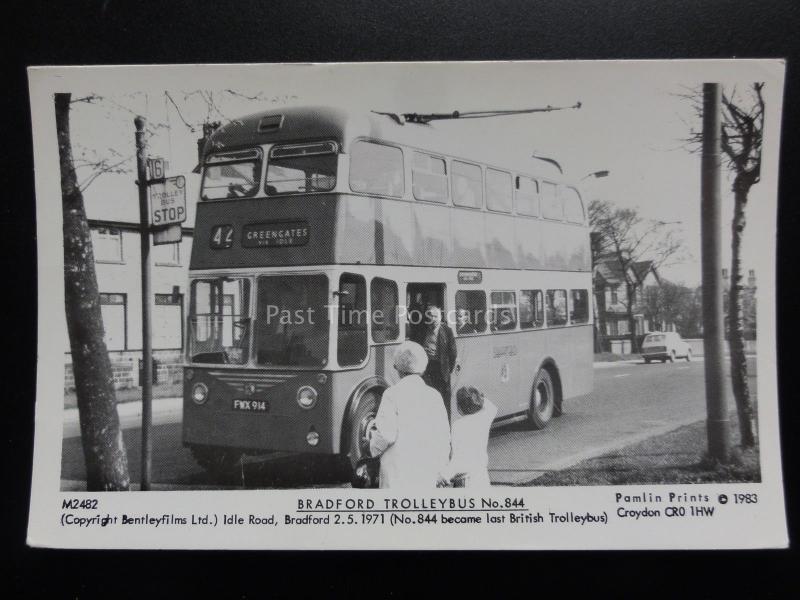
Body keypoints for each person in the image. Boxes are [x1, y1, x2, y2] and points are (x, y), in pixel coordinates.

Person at [368, 341, 451, 488]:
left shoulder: (391, 394)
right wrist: (440, 469)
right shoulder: (434, 396)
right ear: (423, 368)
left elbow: (386, 434)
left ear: (398, 368)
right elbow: (444, 437)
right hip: (426, 472)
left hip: (397, 474)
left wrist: (372, 447)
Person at [442, 387, 497, 488]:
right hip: (482, 476)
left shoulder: (458, 425)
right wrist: (480, 397)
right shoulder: (484, 418)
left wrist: (444, 476)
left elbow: (458, 458)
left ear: (459, 407)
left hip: (467, 481)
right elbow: (492, 408)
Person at [420, 304, 457, 419]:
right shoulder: (423, 331)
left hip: (442, 371)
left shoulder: (447, 331)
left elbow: (453, 353)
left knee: (444, 403)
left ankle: (447, 431)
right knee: (429, 402)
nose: (434, 319)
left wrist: (447, 370)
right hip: (427, 370)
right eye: (431, 316)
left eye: (436, 316)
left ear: (440, 317)